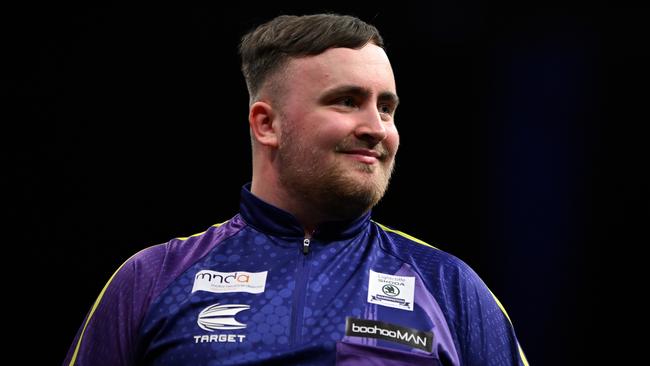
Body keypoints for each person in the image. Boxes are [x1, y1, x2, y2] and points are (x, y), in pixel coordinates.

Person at [64, 13, 529, 366]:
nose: (376, 128)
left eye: (386, 108)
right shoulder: (152, 279)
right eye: (347, 101)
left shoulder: (449, 287)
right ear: (267, 124)